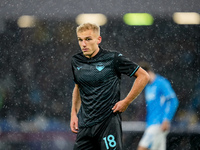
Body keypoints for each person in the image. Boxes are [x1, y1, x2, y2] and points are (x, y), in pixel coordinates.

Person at [70, 22, 149, 150]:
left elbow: (143, 76)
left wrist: (126, 101)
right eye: (80, 40)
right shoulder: (76, 61)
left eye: (88, 39)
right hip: (85, 126)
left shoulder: (113, 58)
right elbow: (78, 87)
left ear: (98, 39)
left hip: (107, 123)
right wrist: (74, 113)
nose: (83, 44)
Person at [137, 61, 179, 150]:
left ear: (147, 73)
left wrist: (166, 120)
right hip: (151, 123)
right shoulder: (147, 87)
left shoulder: (161, 83)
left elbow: (173, 101)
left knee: (142, 148)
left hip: (158, 123)